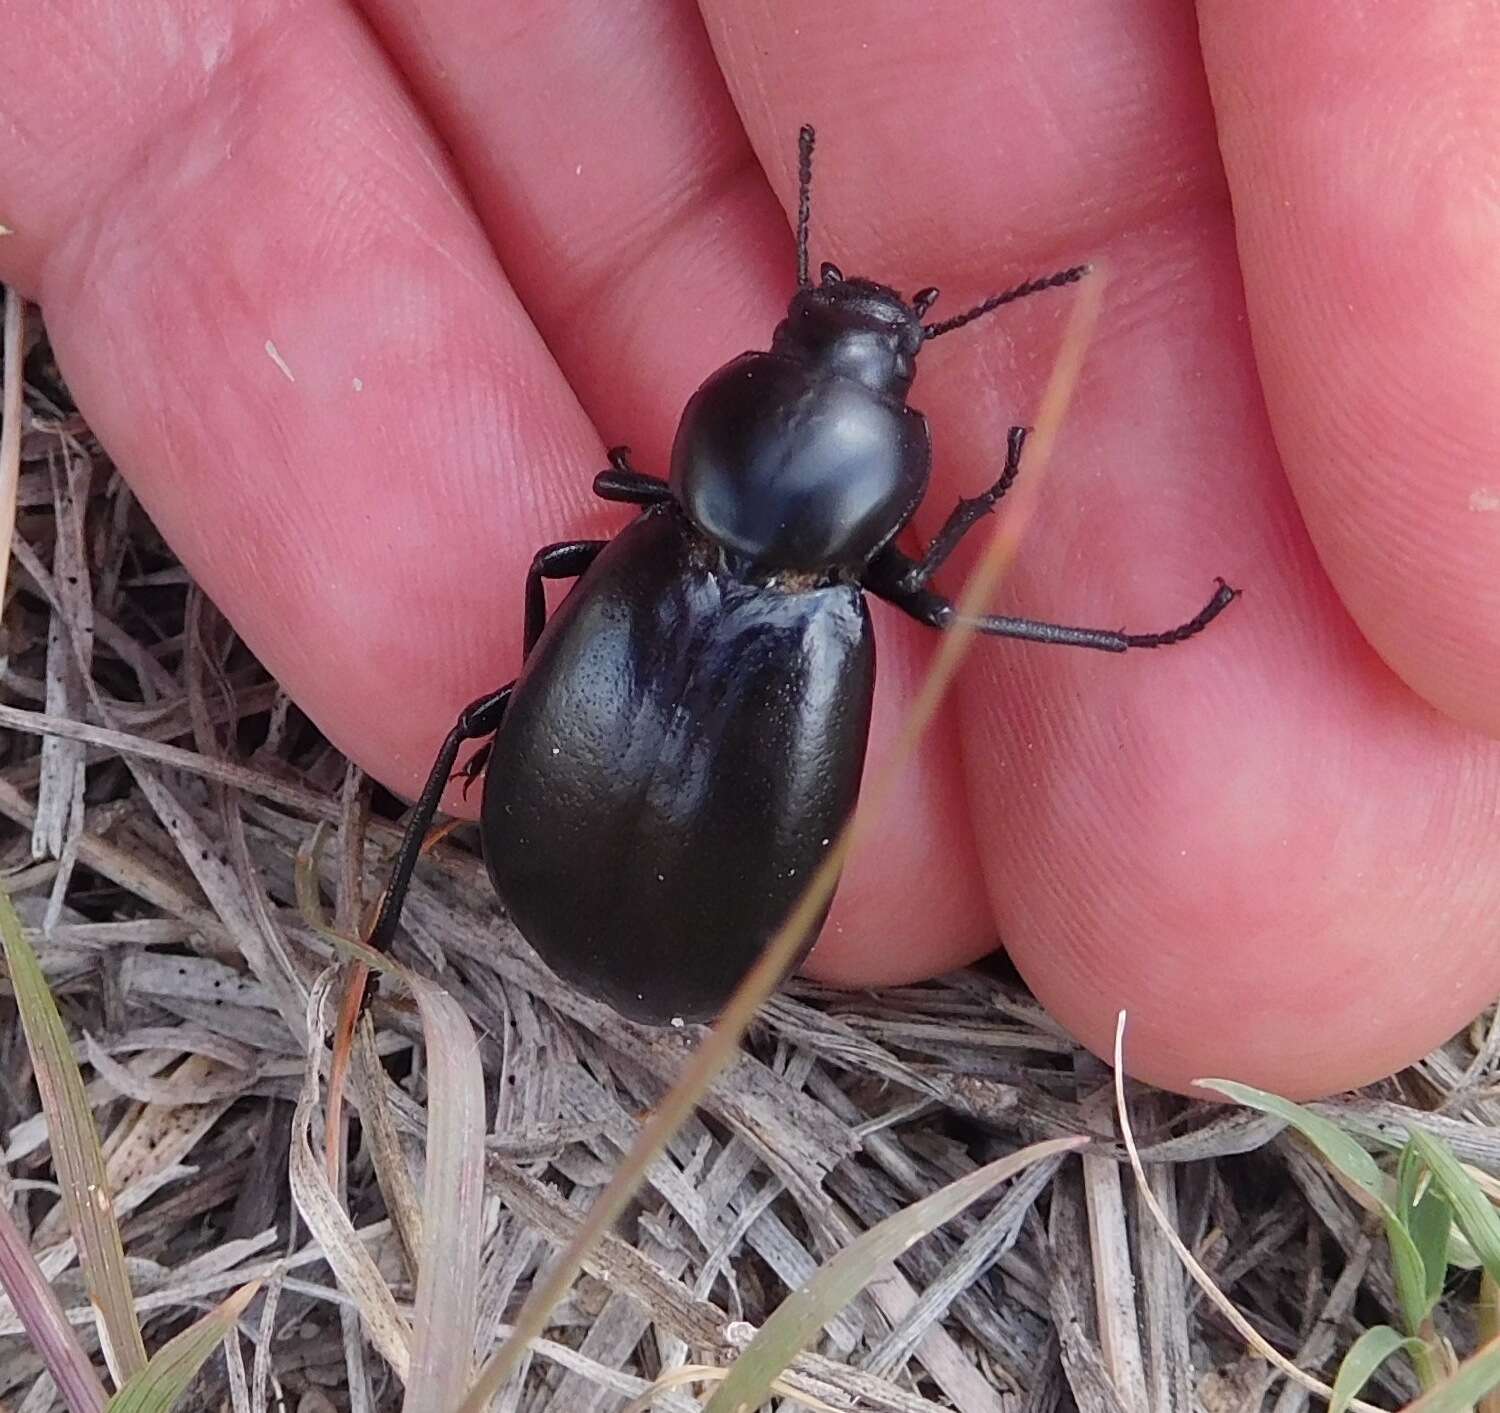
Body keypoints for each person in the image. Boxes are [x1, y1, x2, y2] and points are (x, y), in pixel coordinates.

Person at [2, 1, 1495, 1099]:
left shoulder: (659, 516)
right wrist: (1083, 600)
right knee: (599, 734)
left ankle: (384, 933)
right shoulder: (829, 580)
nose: (860, 330)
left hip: (598, 818)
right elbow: (951, 584)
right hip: (641, 860)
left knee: (480, 711)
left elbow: (583, 555)